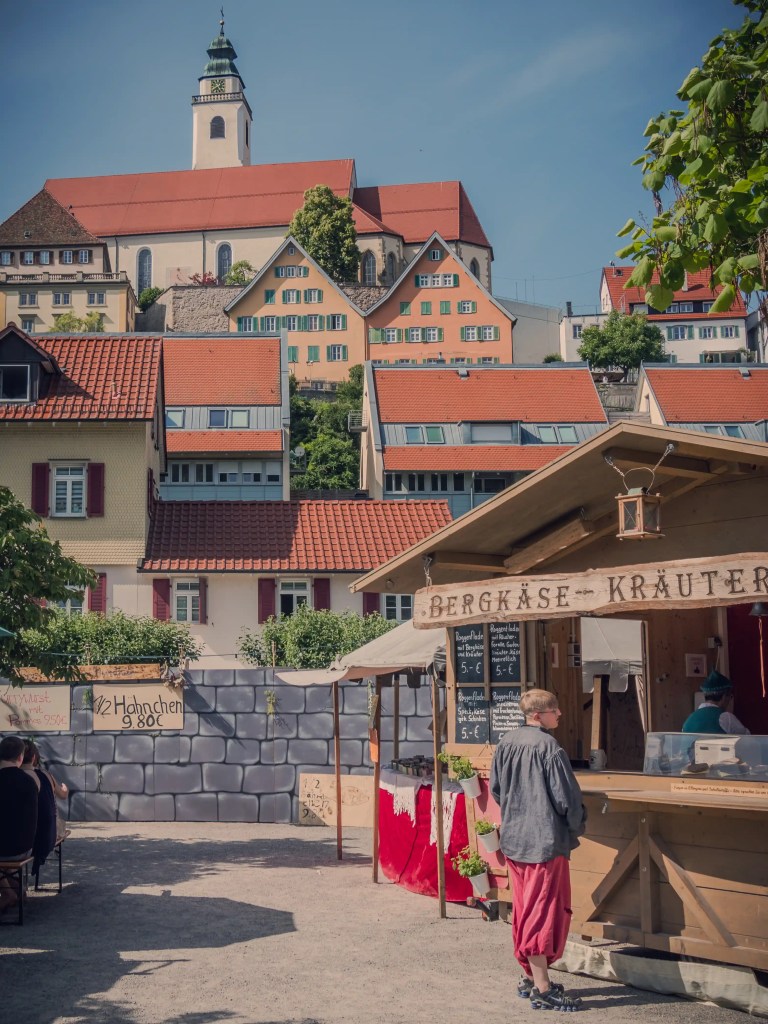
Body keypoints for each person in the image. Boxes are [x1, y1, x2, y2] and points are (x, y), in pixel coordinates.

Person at [491, 688, 586, 1012]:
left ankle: (530, 976)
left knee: (525, 908)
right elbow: (567, 799)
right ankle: (543, 988)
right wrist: (576, 826)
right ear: (537, 715)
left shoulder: (506, 743)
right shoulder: (549, 748)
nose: (559, 714)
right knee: (543, 912)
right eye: (553, 710)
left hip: (516, 841)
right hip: (544, 842)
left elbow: (496, 790)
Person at [0, 735, 40, 913]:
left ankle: (8, 893)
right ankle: (16, 889)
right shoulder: (29, 781)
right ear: (20, 758)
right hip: (25, 847)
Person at [22, 739, 67, 874]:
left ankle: (13, 888)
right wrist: (65, 788)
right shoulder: (45, 775)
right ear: (34, 757)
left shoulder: (9, 777)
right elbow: (62, 794)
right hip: (45, 839)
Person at [682, 670, 749, 735]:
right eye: (730, 697)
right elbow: (748, 741)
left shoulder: (689, 720)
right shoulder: (726, 718)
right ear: (724, 697)